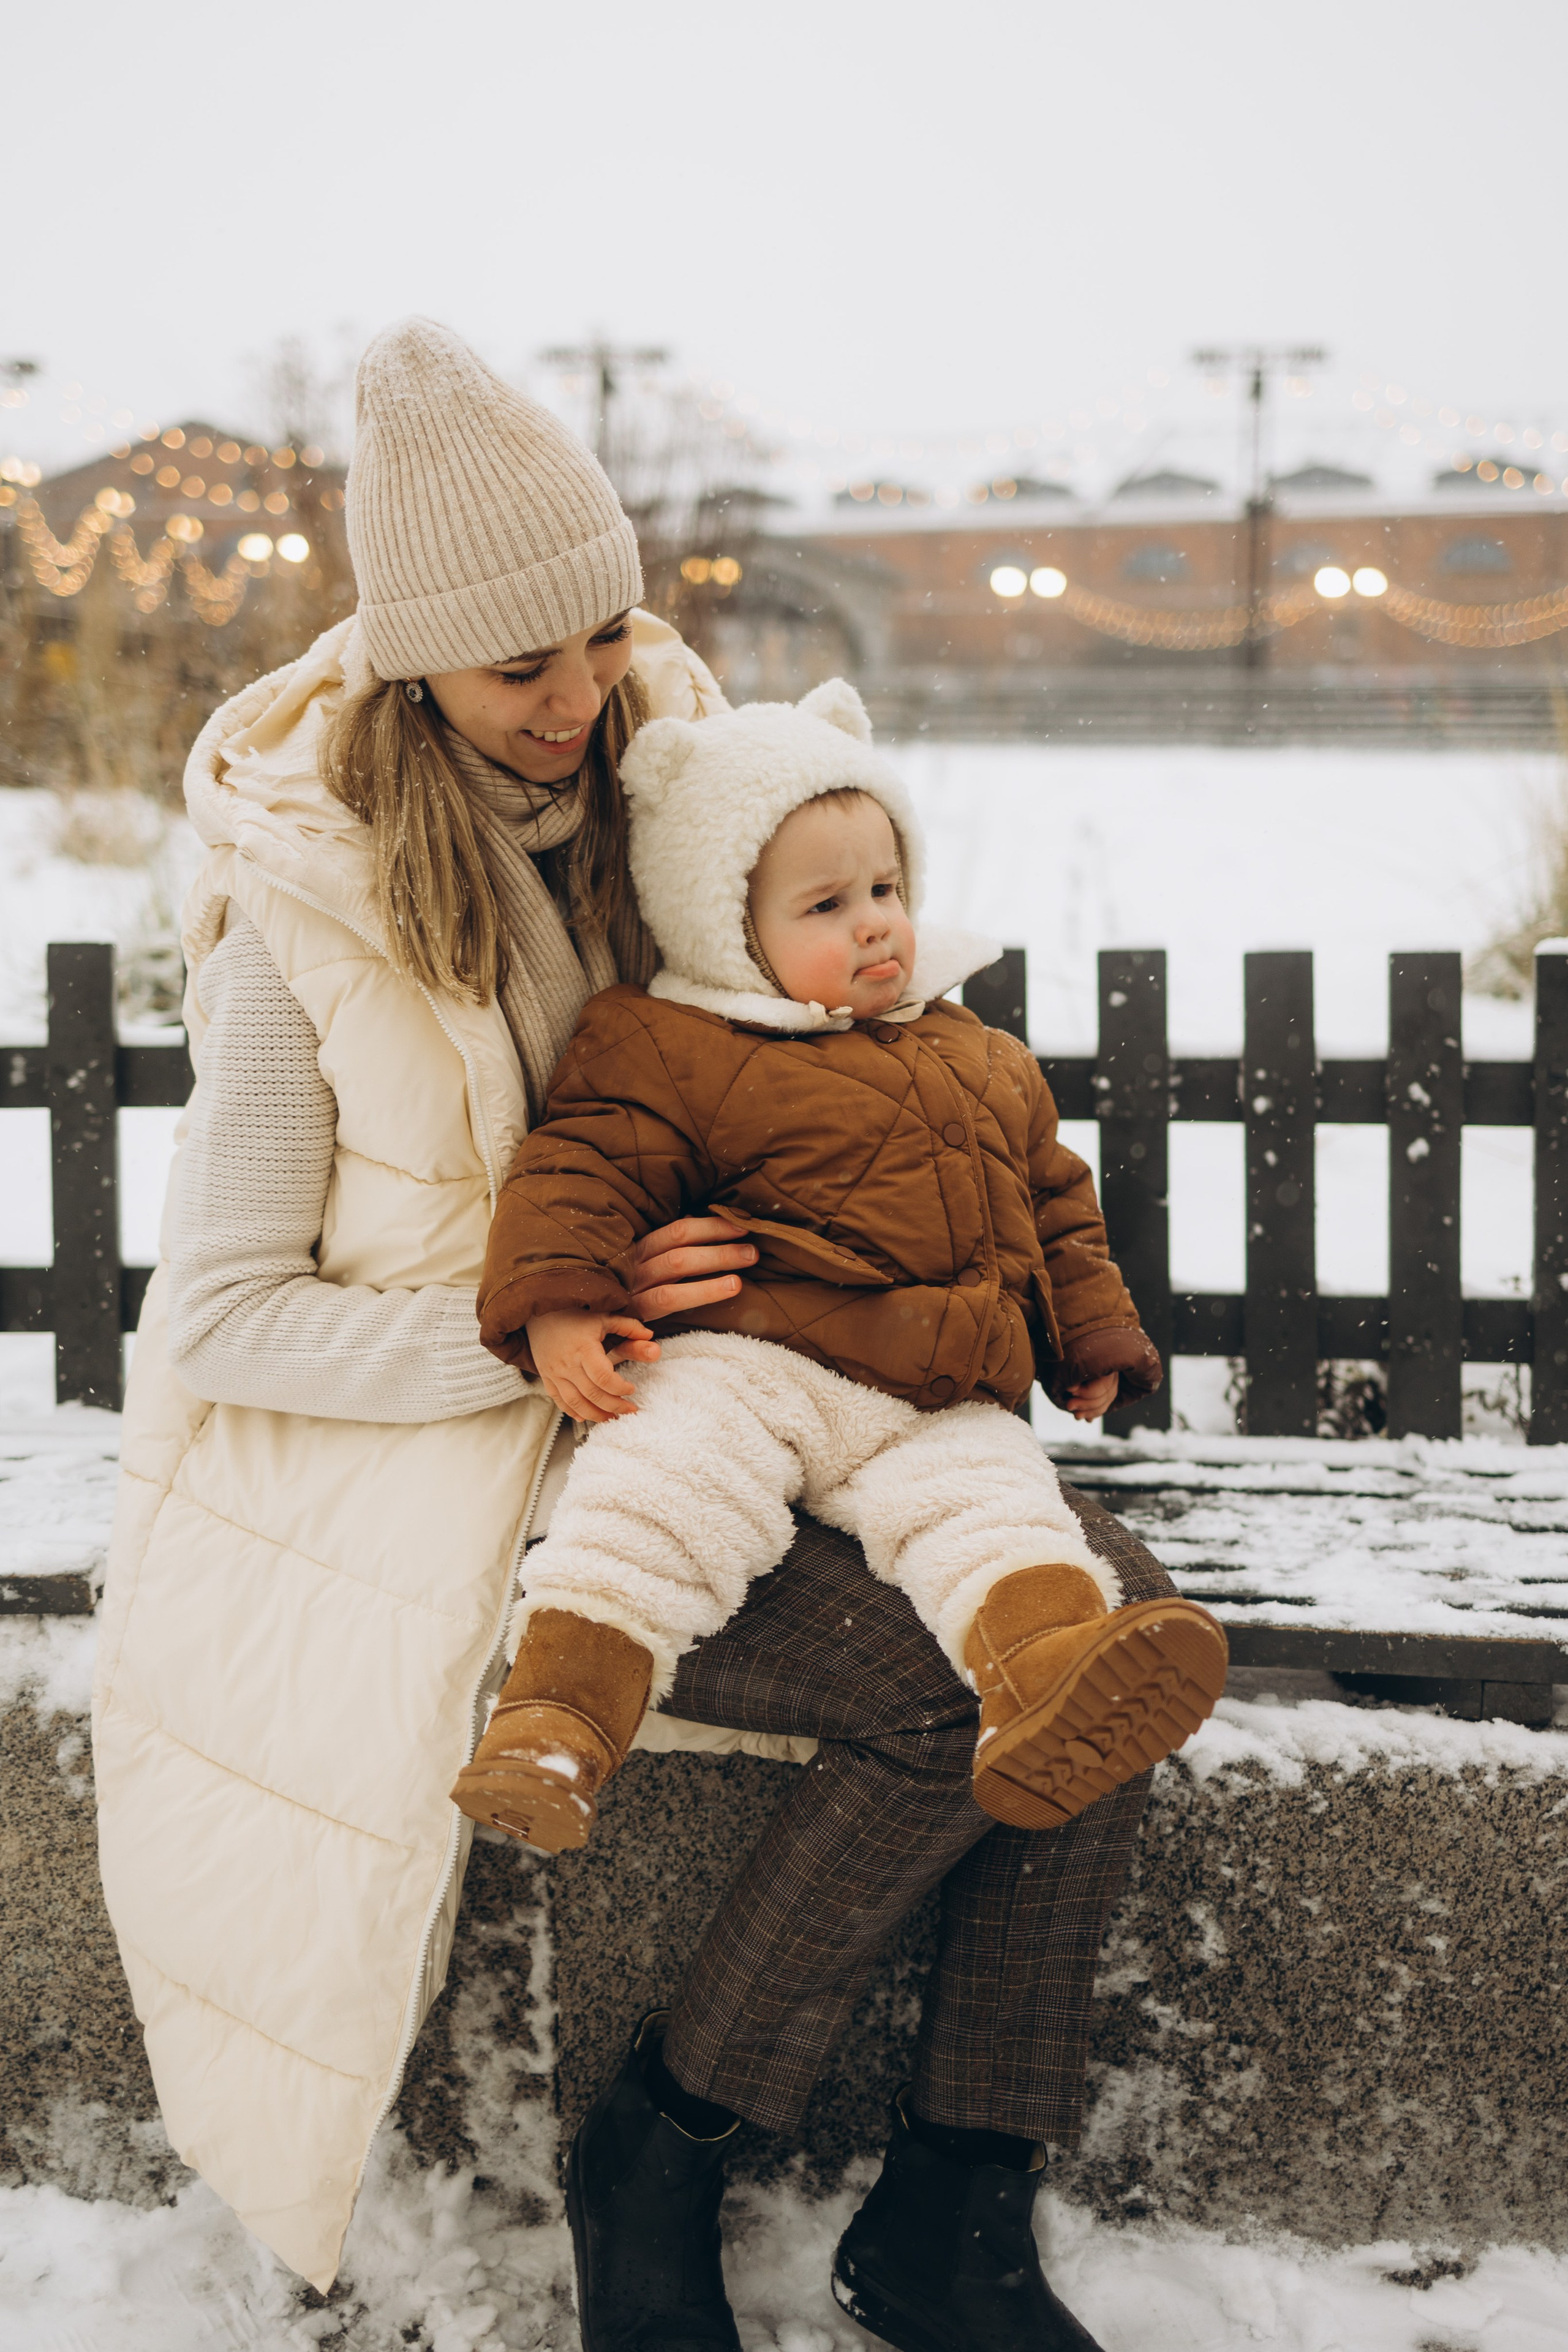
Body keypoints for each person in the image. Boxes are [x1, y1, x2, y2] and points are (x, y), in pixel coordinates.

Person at [86, 317, 1193, 2352]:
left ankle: (960, 2195)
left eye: (604, 636)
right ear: (418, 661)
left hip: (754, 1400)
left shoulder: (677, 797)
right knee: (943, 1694)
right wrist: (532, 1339)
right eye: (525, 665)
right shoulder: (303, 922)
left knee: (1102, 1638)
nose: (580, 696)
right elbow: (227, 1321)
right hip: (469, 1472)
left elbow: (822, 1029)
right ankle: (667, 2145)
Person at [456, 682, 1226, 1864]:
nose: (874, 925)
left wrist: (1090, 1334)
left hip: (933, 1395)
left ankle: (1046, 1676)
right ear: (726, 926)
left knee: (1002, 1517)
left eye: (886, 890)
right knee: (660, 1495)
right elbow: (579, 1172)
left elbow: (1055, 1204)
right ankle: (556, 1721)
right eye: (826, 904)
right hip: (751, 1363)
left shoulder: (979, 1054)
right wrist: (562, 1309)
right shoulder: (668, 1042)